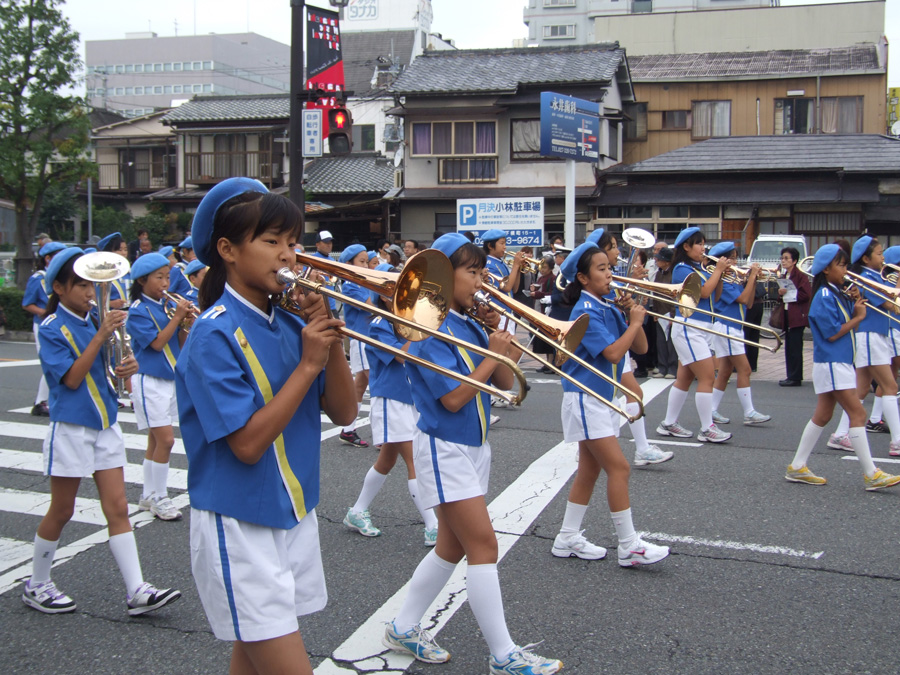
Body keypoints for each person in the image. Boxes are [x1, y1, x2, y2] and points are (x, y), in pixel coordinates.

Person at [175, 177, 356, 673]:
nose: (288, 255)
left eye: (293, 243)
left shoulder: (291, 324)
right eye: (271, 241)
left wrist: (331, 338)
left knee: (251, 659)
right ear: (228, 250)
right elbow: (248, 445)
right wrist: (307, 366)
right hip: (238, 523)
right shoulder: (212, 334)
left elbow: (344, 414)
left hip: (293, 509)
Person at [383, 233, 560, 674]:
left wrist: (504, 340)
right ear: (444, 275)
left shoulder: (468, 322)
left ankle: (403, 626)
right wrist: (490, 354)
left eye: (482, 272)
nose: (482, 281)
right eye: (473, 272)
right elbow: (453, 400)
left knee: (450, 547)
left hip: (473, 446)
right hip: (444, 447)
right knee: (483, 546)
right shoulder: (427, 327)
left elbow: (503, 383)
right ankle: (504, 656)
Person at [25, 246, 181, 615]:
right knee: (62, 510)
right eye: (79, 284)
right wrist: (101, 336)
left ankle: (137, 590)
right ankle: (36, 583)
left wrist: (125, 368)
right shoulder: (52, 328)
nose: (89, 291)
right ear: (59, 289)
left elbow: (110, 375)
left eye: (92, 284)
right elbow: (73, 379)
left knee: (118, 509)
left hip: (106, 426)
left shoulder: (97, 317)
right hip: (72, 429)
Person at [550, 240, 671, 566]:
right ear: (584, 279)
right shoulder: (585, 312)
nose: (609, 274)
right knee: (619, 467)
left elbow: (641, 348)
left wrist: (633, 315)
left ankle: (567, 536)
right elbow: (614, 354)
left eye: (609, 268)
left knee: (589, 470)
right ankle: (629, 545)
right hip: (586, 398)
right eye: (601, 269)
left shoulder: (605, 306)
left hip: (598, 398)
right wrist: (631, 322)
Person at [785, 244, 900, 491]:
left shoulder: (836, 293)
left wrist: (857, 303)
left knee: (824, 415)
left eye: (847, 265)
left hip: (838, 361)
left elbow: (847, 324)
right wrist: (858, 317)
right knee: (858, 414)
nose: (846, 270)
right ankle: (871, 473)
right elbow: (832, 334)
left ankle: (797, 466)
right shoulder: (824, 296)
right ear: (826, 269)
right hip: (833, 361)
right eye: (841, 265)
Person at [344, 262, 439, 545]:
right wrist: (418, 329)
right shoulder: (378, 324)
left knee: (386, 461)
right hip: (390, 399)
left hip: (408, 398)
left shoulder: (400, 320)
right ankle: (432, 524)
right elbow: (400, 357)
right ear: (384, 294)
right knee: (415, 460)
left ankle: (358, 510)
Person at [590, 228, 674, 465]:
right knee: (602, 398)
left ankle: (641, 448)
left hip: (618, 343)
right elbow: (605, 309)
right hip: (606, 347)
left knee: (630, 393)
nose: (618, 251)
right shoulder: (600, 282)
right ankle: (633, 448)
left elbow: (622, 309)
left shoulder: (612, 277)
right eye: (613, 247)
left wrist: (633, 293)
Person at [126, 253, 193, 521]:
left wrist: (185, 323)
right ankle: (160, 496)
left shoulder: (164, 306)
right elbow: (155, 344)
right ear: (142, 280)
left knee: (155, 440)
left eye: (167, 276)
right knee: (165, 439)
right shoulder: (138, 310)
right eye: (159, 277)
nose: (166, 282)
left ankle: (148, 494)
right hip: (149, 380)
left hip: (169, 378)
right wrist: (178, 317)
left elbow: (177, 341)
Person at [656, 227, 733, 443]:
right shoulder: (681, 268)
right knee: (708, 377)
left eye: (703, 243)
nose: (703, 247)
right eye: (698, 244)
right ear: (686, 247)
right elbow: (703, 294)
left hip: (700, 328)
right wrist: (717, 271)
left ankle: (669, 423)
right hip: (689, 328)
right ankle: (707, 428)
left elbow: (715, 295)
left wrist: (720, 275)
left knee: (685, 378)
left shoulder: (700, 268)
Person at [828, 236, 900, 455]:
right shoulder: (865, 279)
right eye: (879, 253)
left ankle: (840, 434)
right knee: (890, 387)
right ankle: (897, 441)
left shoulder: (874, 276)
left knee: (860, 390)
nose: (883, 257)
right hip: (870, 336)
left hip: (874, 335)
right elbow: (892, 305)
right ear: (866, 258)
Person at [707, 242, 771, 426]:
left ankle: (711, 409)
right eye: (732, 257)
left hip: (733, 327)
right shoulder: (723, 280)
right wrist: (750, 277)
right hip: (727, 327)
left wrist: (754, 279)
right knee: (745, 369)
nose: (736, 261)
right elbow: (742, 298)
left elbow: (748, 303)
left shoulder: (732, 280)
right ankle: (749, 412)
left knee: (726, 371)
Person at [22, 241, 68, 416]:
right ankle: (40, 402)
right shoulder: (38, 278)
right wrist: (45, 312)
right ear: (47, 258)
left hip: (60, 323)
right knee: (50, 363)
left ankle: (48, 399)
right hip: (43, 324)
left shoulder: (60, 277)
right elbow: (27, 304)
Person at [337, 244, 372, 449]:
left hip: (367, 337)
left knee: (360, 385)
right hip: (361, 338)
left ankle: (348, 430)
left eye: (367, 261)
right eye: (362, 261)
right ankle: (383, 434)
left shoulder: (362, 283)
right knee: (375, 382)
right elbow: (369, 307)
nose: (366, 265)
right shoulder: (351, 285)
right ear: (349, 264)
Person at [778, 247, 811, 387]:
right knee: (789, 346)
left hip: (797, 315)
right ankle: (790, 375)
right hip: (787, 314)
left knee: (796, 347)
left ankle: (796, 377)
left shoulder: (800, 276)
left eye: (786, 258)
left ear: (795, 261)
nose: (783, 261)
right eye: (782, 258)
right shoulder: (785, 275)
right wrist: (780, 292)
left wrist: (790, 292)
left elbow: (806, 295)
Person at [649, 247, 677, 379]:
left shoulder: (674, 273)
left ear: (666, 261)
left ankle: (672, 368)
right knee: (660, 341)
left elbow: (675, 297)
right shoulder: (659, 273)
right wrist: (655, 312)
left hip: (670, 313)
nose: (656, 260)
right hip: (660, 312)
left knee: (671, 343)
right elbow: (655, 292)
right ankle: (662, 367)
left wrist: (673, 315)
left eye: (659, 259)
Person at [530, 256, 557, 373]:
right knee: (542, 339)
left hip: (547, 310)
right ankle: (547, 363)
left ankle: (551, 363)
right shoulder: (541, 278)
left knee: (548, 338)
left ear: (551, 268)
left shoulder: (552, 279)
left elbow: (551, 294)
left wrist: (537, 294)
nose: (542, 270)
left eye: (545, 267)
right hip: (538, 308)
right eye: (541, 267)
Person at [97, 232, 131, 310]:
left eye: (125, 250)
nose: (124, 253)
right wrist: (110, 303)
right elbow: (94, 299)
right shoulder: (102, 275)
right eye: (119, 250)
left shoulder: (130, 272)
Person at [313, 230, 338, 315]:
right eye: (326, 242)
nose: (329, 244)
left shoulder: (333, 261)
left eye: (330, 242)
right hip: (319, 306)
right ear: (317, 244)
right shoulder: (312, 260)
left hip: (332, 305)